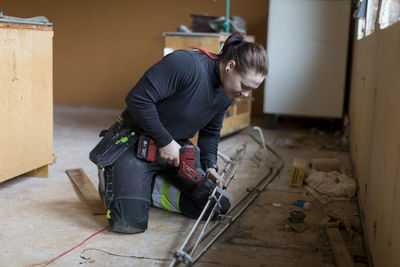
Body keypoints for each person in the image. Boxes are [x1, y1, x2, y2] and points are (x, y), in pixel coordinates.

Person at [91, 32, 268, 234]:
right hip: (135, 144)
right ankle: (120, 178)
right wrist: (165, 141)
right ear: (231, 66)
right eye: (245, 85)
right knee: (128, 223)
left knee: (215, 206)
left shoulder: (227, 92)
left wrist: (210, 166)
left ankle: (151, 187)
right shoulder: (185, 64)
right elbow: (137, 100)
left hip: (175, 151)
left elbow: (210, 133)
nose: (245, 93)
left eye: (251, 89)